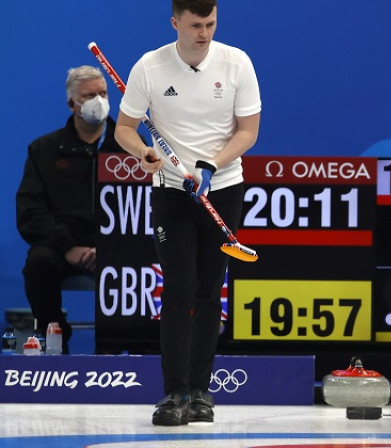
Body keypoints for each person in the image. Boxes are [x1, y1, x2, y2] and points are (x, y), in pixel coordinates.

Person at [114, 0, 260, 426]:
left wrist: (211, 165)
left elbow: (248, 131)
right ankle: (174, 392)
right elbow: (125, 127)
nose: (204, 33)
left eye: (211, 23)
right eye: (196, 25)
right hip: (172, 191)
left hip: (222, 188)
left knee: (209, 289)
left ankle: (200, 389)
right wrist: (142, 151)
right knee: (179, 288)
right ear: (176, 22)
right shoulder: (150, 67)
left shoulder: (236, 63)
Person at [16, 65, 132, 354]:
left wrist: (110, 247)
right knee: (38, 263)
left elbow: (146, 209)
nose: (99, 101)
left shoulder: (132, 148)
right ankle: (56, 341)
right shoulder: (44, 150)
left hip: (117, 247)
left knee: (144, 264)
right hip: (61, 247)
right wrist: (68, 247)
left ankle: (119, 347)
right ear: (72, 104)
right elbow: (30, 213)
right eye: (90, 95)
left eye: (103, 93)